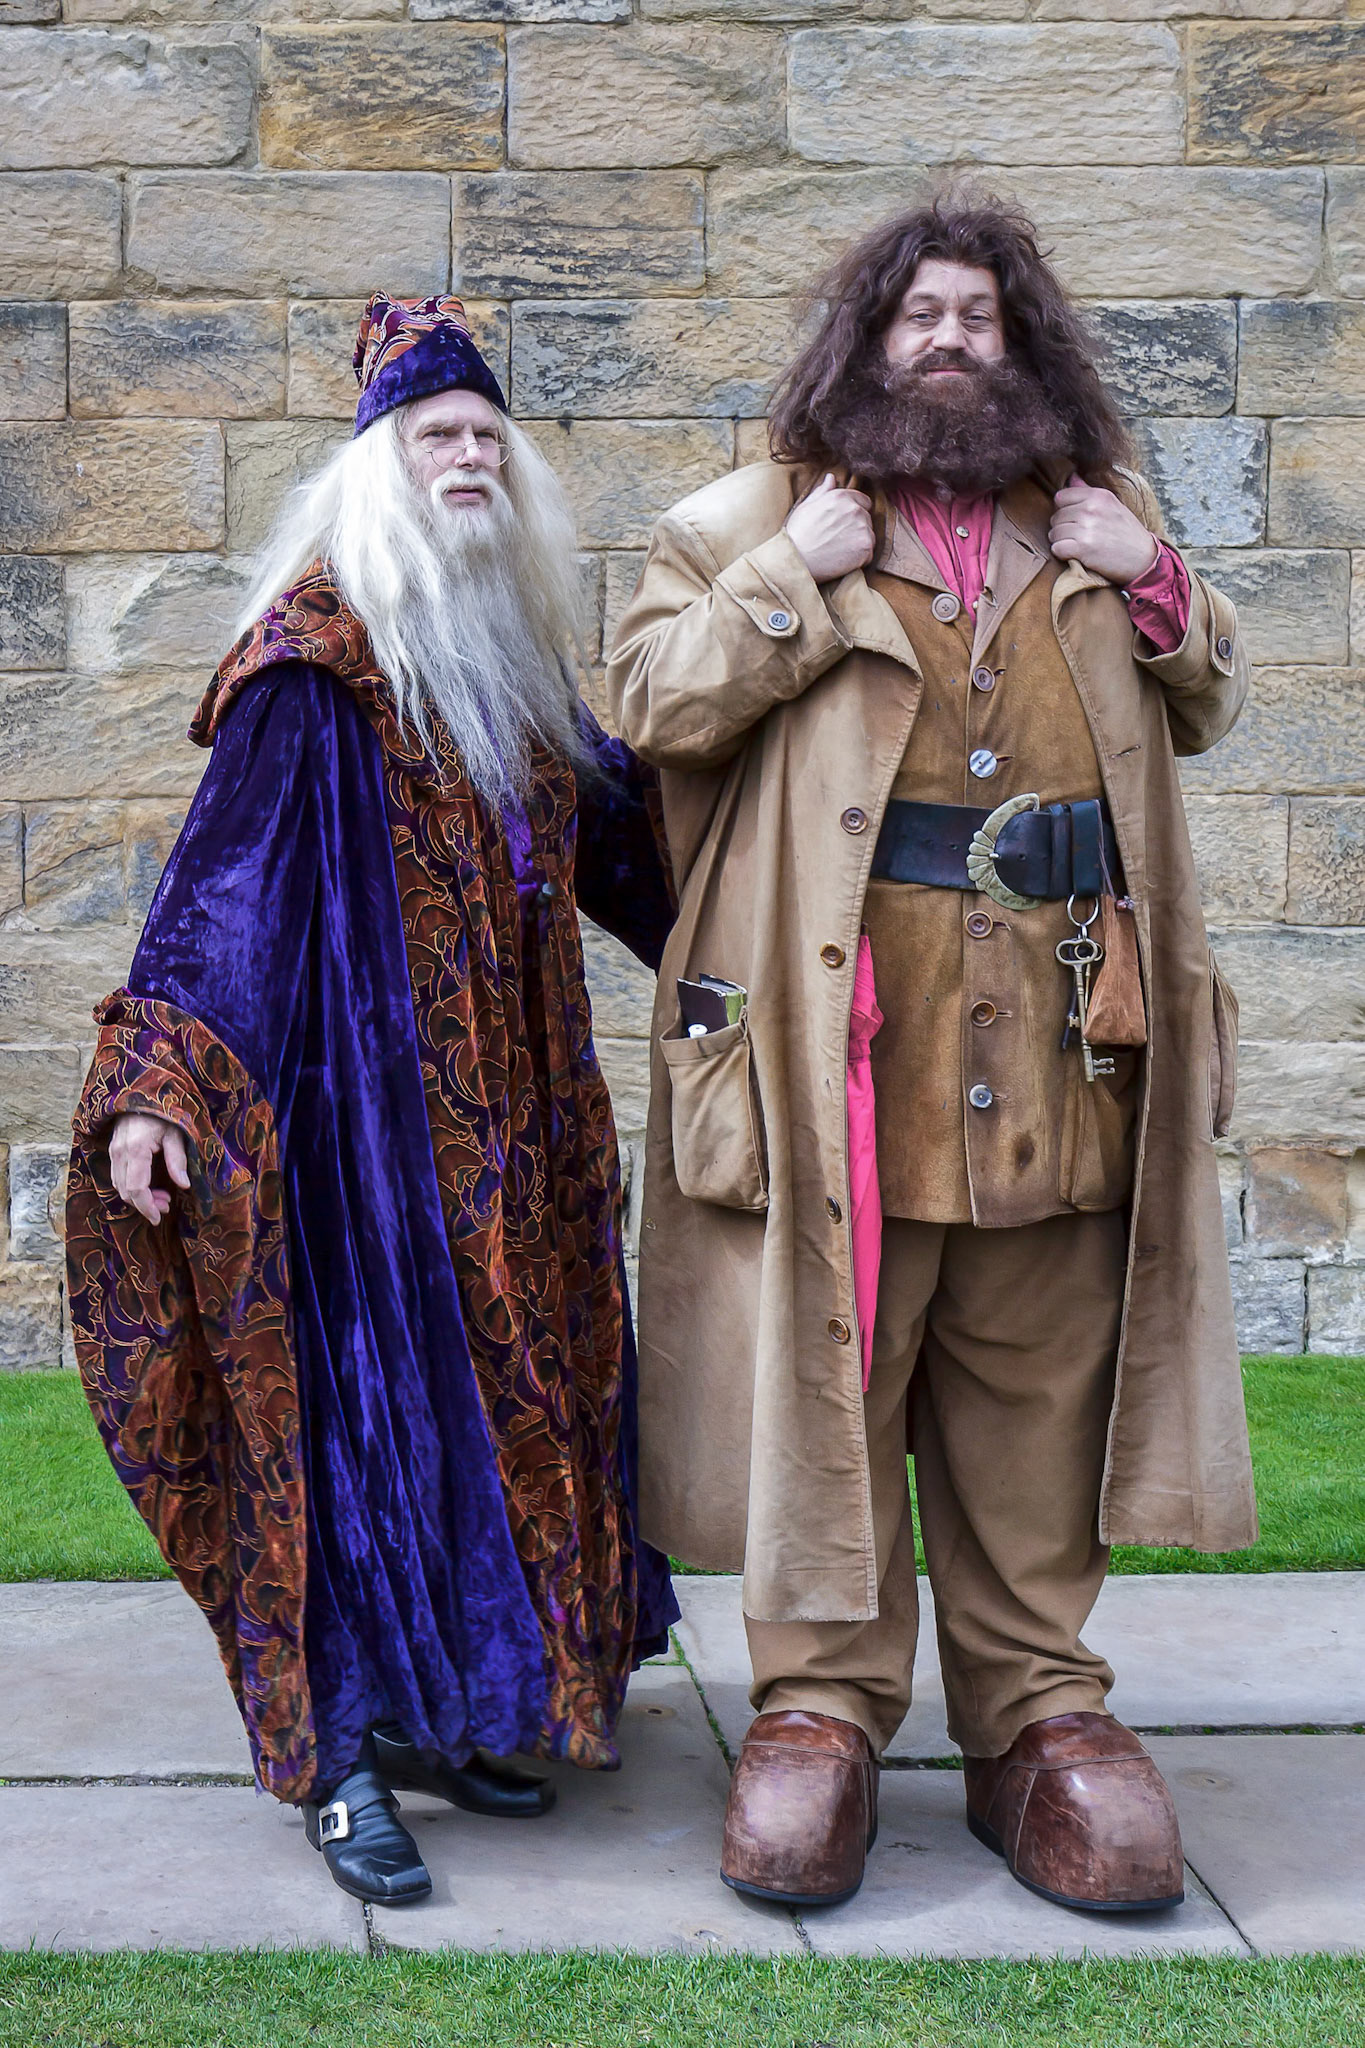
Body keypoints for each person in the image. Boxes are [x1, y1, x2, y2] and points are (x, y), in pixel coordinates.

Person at [606, 197, 1254, 1915]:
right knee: (827, 1372)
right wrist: (786, 581)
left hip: (1060, 1037)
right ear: (863, 342)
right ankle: (816, 1711)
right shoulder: (748, 518)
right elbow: (649, 705)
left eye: (979, 315)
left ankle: (1035, 1714)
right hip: (839, 1042)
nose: (949, 341)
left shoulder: (1096, 523)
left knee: (1039, 1378)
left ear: (1022, 342)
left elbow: (1209, 693)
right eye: (918, 317)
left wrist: (1156, 581)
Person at [66, 292, 677, 1907]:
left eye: (487, 437)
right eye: (437, 438)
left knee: (492, 1418)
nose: (468, 457)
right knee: (341, 1433)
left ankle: (454, 1706)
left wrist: (788, 942)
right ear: (377, 474)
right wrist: (152, 1091)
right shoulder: (308, 669)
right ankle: (339, 1759)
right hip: (351, 1145)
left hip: (514, 1145)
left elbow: (647, 861)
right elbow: (220, 890)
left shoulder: (515, 678)